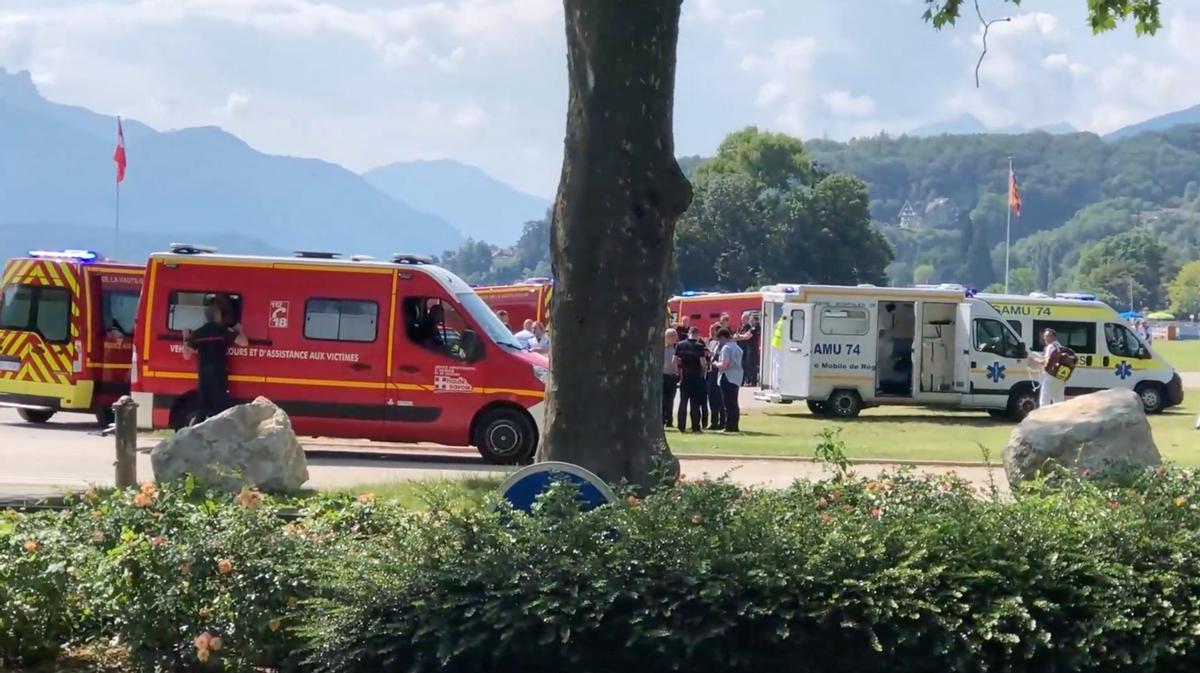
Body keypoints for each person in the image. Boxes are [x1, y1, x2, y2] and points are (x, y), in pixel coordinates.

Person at [181, 302, 248, 423]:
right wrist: (240, 330)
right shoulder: (223, 331)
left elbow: (186, 355)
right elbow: (244, 343)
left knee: (202, 408)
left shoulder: (198, 333)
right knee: (220, 409)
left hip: (204, 375)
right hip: (219, 375)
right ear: (218, 316)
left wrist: (186, 337)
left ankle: (198, 433)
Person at [674, 326, 709, 433]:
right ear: (697, 334)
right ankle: (695, 426)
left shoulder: (680, 345)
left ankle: (681, 426)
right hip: (696, 377)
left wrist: (682, 364)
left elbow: (674, 361)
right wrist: (704, 369)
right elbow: (702, 363)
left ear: (688, 333)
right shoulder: (699, 346)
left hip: (685, 376)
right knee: (695, 403)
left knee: (683, 402)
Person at [715, 328, 744, 433]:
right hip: (737, 377)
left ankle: (728, 426)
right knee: (734, 403)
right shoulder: (737, 347)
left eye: (719, 340)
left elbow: (725, 364)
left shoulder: (726, 348)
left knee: (727, 404)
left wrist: (715, 364)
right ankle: (734, 426)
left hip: (727, 376)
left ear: (722, 337)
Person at [1031, 327, 1065, 407]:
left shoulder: (1050, 347)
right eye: (1044, 336)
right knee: (1058, 401)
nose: (1044, 338)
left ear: (1053, 337)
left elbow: (1046, 362)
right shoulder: (1059, 346)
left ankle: (1043, 418)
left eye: (1047, 336)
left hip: (1050, 377)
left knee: (1044, 401)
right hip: (1060, 377)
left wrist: (1035, 360)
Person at [704, 322, 725, 430]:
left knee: (720, 398)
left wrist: (712, 355)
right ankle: (714, 421)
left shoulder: (723, 344)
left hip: (718, 373)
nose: (711, 333)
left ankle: (722, 422)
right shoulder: (711, 343)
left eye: (713, 331)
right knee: (711, 398)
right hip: (710, 372)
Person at [736, 313, 762, 387]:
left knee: (751, 365)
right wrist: (741, 336)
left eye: (751, 319)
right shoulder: (756, 327)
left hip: (752, 348)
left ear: (754, 320)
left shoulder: (754, 328)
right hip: (752, 348)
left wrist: (738, 337)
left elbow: (747, 337)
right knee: (751, 365)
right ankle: (751, 381)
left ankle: (752, 381)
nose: (750, 321)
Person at [662, 330, 679, 427]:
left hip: (673, 376)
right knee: (663, 399)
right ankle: (662, 419)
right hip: (664, 375)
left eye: (674, 336)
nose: (673, 338)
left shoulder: (677, 348)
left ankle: (669, 420)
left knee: (670, 399)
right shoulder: (662, 348)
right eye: (670, 336)